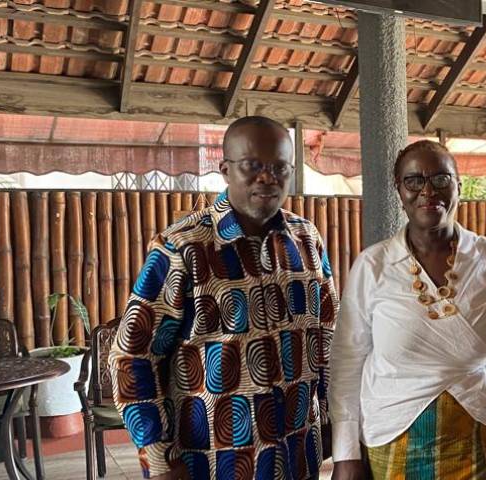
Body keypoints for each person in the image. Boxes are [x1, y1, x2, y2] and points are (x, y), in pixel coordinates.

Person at [109, 116, 337, 480]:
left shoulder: (307, 240)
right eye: (252, 166)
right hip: (212, 463)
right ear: (226, 169)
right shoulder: (183, 247)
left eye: (280, 167)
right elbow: (131, 357)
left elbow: (328, 339)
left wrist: (329, 419)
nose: (267, 177)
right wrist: (159, 458)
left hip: (299, 452)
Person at [329, 140, 486, 480]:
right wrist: (346, 453)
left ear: (459, 185)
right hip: (393, 432)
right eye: (414, 181)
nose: (428, 191)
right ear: (400, 190)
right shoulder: (373, 265)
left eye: (441, 179)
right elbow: (347, 362)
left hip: (480, 430)